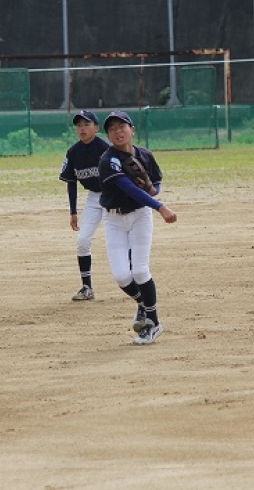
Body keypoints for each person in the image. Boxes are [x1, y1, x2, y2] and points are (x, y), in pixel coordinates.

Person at [98, 111, 177, 345]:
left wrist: (153, 191)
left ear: (132, 130)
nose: (117, 131)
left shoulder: (146, 155)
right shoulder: (108, 160)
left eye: (122, 126)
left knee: (140, 271)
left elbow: (156, 182)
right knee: (122, 276)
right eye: (112, 129)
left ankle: (153, 323)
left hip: (140, 216)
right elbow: (127, 187)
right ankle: (143, 305)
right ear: (108, 135)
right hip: (113, 220)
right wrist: (160, 206)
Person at [59, 110, 111, 301]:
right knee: (82, 241)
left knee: (120, 241)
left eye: (86, 124)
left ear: (96, 128)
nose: (82, 128)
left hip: (114, 196)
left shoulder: (106, 149)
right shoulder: (73, 152)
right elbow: (71, 182)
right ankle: (87, 287)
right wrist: (73, 212)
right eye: (79, 125)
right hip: (94, 198)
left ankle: (134, 279)